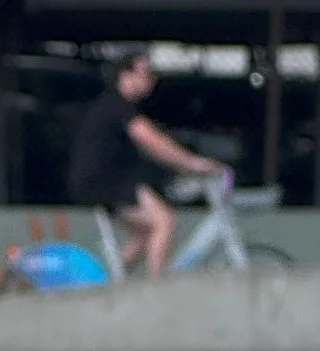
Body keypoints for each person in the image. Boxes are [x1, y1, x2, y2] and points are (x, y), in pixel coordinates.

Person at [68, 48, 222, 276]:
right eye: (146, 74)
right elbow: (151, 141)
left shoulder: (115, 105)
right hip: (106, 180)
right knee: (164, 220)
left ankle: (110, 284)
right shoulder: (117, 105)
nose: (152, 81)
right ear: (126, 74)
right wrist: (193, 163)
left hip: (101, 180)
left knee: (145, 232)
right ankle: (157, 290)